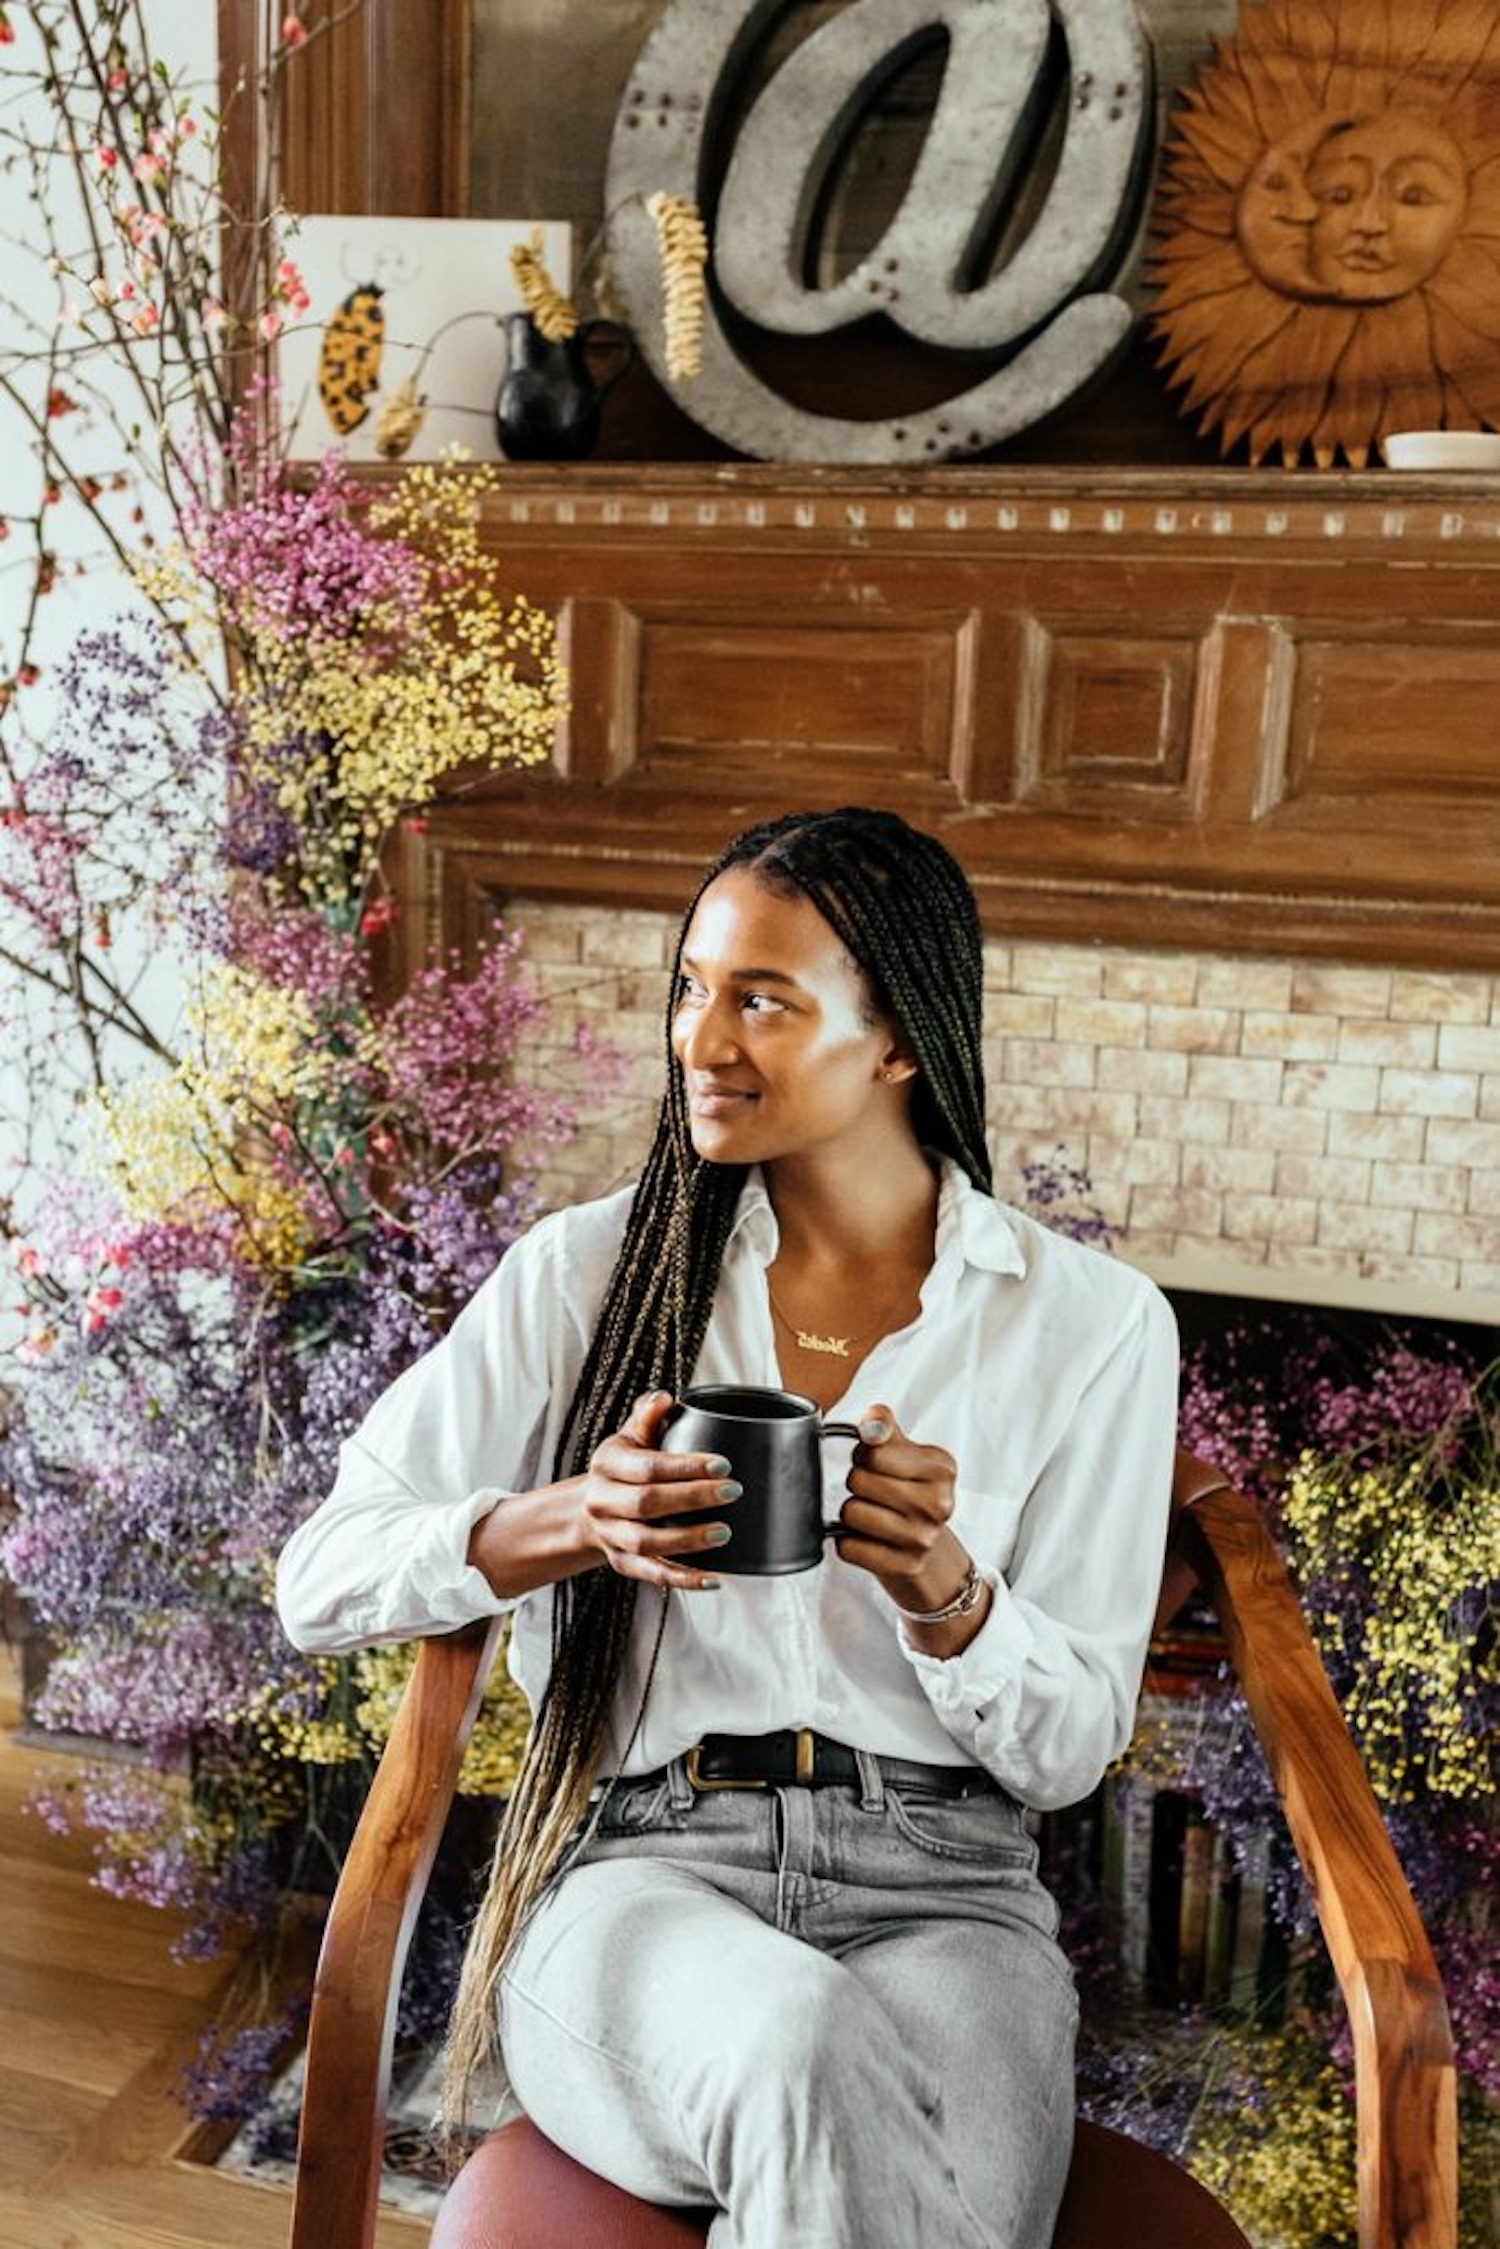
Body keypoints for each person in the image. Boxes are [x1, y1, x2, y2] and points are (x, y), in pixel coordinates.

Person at [276, 806, 1180, 2249]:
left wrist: (947, 1589)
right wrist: (574, 1517)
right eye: (689, 986)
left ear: (898, 1043)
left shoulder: (1091, 1326)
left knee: (906, 2192)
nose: (702, 1038)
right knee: (798, 2041)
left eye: (761, 997)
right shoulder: (587, 1273)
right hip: (643, 1876)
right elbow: (318, 1572)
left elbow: (1068, 1750)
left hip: (952, 1898)